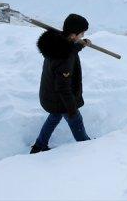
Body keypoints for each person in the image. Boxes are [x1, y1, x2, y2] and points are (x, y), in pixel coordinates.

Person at [30, 14, 92, 154]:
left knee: (54, 117)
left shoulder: (56, 44)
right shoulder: (64, 58)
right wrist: (72, 109)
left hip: (49, 95)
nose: (83, 35)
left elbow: (69, 49)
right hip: (59, 98)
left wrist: (80, 45)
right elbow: (63, 88)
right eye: (82, 33)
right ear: (73, 35)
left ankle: (39, 146)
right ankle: (88, 148)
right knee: (76, 120)